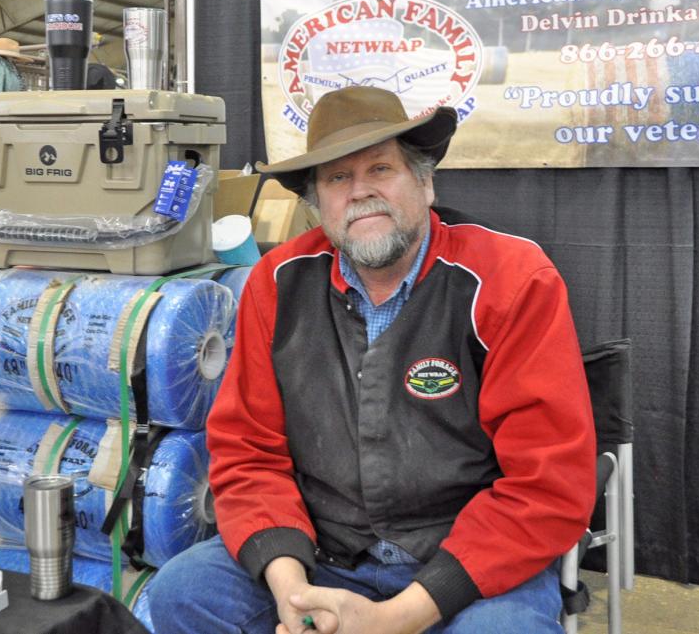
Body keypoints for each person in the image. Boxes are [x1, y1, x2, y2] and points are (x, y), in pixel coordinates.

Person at [150, 87, 595, 634]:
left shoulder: (512, 280)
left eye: (380, 168)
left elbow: (545, 485)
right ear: (316, 204)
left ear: (425, 182)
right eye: (337, 178)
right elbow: (248, 451)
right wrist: (293, 592)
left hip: (468, 562)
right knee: (184, 594)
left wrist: (395, 619)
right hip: (323, 552)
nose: (360, 192)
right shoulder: (277, 283)